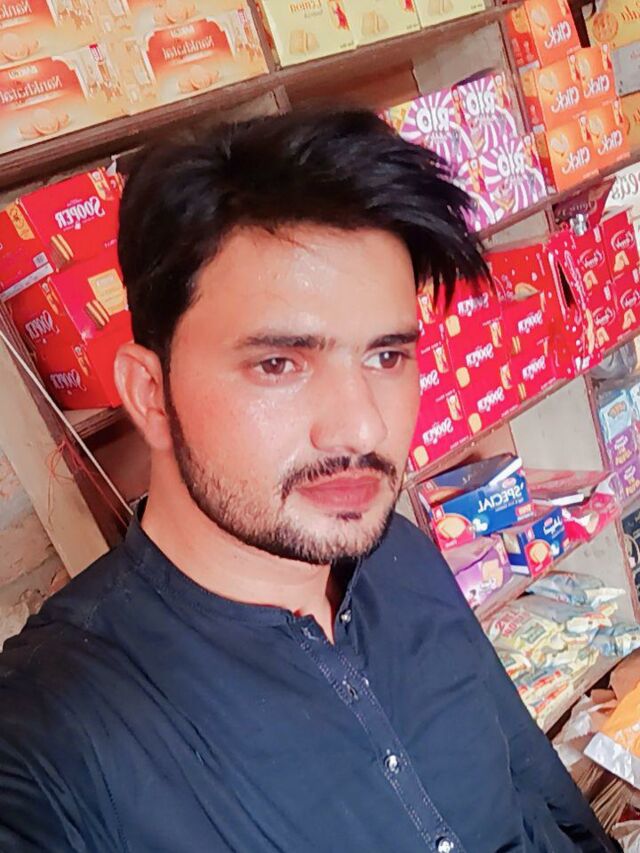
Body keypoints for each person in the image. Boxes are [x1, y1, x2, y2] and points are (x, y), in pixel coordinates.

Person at [0, 109, 615, 852]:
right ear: (151, 395)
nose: (362, 428)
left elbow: (544, 802)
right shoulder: (50, 734)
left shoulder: (401, 556)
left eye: (387, 357)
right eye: (278, 363)